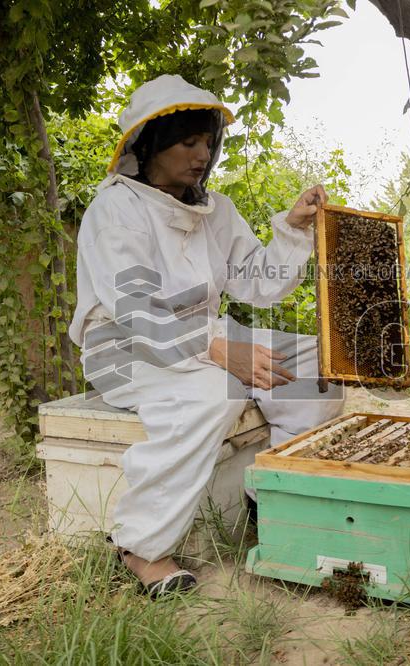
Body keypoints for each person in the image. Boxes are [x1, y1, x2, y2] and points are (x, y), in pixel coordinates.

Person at [67, 74, 345, 598]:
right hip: (126, 348)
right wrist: (221, 353)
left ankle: (274, 497)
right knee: (212, 396)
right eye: (188, 142)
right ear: (148, 144)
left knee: (314, 365)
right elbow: (135, 309)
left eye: (208, 142)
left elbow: (258, 283)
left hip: (207, 338)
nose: (203, 155)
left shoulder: (214, 210)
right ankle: (141, 548)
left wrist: (291, 228)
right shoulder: (115, 211)